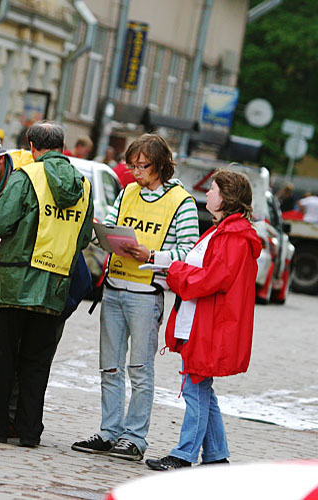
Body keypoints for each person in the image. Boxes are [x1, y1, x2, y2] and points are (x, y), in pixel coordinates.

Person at [0, 121, 94, 447]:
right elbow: (82, 238)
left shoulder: (27, 177)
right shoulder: (83, 184)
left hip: (16, 281)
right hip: (54, 284)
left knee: (2, 355)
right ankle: (29, 431)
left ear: (31, 144)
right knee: (37, 362)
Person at [72, 133, 199, 462]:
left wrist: (151, 254)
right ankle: (108, 430)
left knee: (140, 370)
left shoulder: (181, 201)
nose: (135, 173)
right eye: (132, 166)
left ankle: (134, 437)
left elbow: (189, 252)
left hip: (146, 293)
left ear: (159, 166)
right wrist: (106, 236)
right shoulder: (127, 191)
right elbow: (113, 226)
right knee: (109, 367)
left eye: (142, 166)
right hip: (114, 287)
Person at [145, 170, 262, 471]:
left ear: (227, 198)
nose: (208, 194)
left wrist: (174, 272)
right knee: (201, 390)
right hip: (201, 321)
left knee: (196, 390)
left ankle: (184, 455)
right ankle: (216, 456)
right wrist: (169, 265)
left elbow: (212, 279)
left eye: (212, 189)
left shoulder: (232, 236)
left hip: (208, 325)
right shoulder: (221, 231)